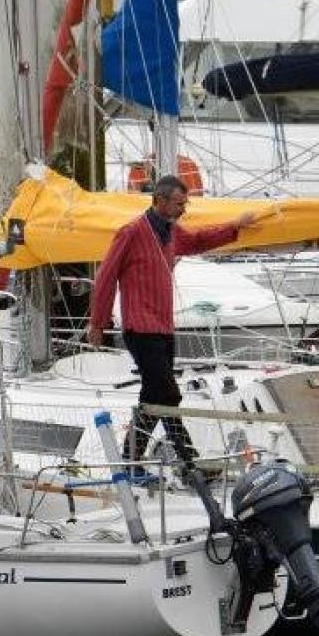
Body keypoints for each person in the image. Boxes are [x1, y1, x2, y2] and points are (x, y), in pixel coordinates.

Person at [85, 175, 258, 470]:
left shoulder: (171, 232)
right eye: (179, 204)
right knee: (169, 392)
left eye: (184, 204)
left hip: (163, 328)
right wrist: (98, 323)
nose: (183, 209)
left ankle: (130, 460)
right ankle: (188, 460)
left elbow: (199, 240)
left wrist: (234, 227)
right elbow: (106, 276)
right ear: (160, 201)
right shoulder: (131, 232)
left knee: (153, 394)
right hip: (140, 329)